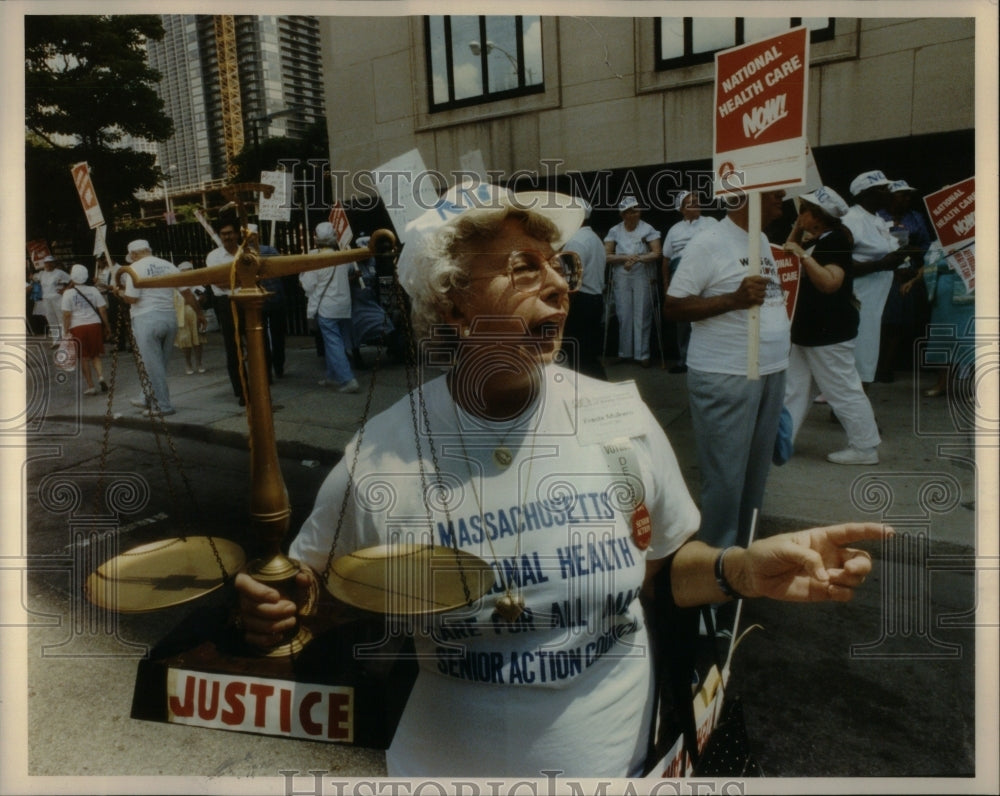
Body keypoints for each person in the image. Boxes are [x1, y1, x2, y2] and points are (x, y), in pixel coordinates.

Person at [235, 184, 887, 778]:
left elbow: (659, 568)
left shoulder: (617, 417)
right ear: (454, 302)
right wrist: (277, 612)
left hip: (622, 765)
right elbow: (320, 598)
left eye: (559, 265)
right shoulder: (380, 455)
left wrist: (739, 569)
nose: (559, 284)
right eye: (525, 269)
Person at [663, 189, 789, 552]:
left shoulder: (761, 239)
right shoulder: (709, 242)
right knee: (725, 481)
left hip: (770, 371)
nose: (782, 196)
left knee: (754, 477)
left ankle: (744, 557)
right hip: (727, 374)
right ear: (746, 199)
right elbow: (673, 306)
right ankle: (715, 570)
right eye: (774, 191)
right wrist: (733, 300)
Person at [782, 187, 881, 465]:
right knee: (794, 388)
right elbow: (787, 254)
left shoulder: (834, 240)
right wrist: (797, 234)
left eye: (804, 210)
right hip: (809, 330)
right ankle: (781, 442)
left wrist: (803, 255)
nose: (799, 215)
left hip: (827, 330)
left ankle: (865, 447)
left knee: (842, 388)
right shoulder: (820, 239)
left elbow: (829, 282)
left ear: (818, 216)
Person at [842, 170, 917, 387]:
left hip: (875, 302)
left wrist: (901, 262)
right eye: (883, 189)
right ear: (866, 194)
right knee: (857, 355)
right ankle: (852, 411)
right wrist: (881, 265)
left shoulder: (878, 220)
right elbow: (840, 264)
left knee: (867, 355)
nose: (889, 193)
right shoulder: (851, 219)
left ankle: (850, 409)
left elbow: (890, 256)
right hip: (857, 301)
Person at [113, 239, 204, 417]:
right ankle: (145, 395)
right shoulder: (168, 265)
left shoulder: (134, 269)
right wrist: (199, 313)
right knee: (159, 363)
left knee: (152, 365)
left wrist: (119, 293)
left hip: (146, 318)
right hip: (169, 317)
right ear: (148, 249)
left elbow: (132, 299)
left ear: (133, 254)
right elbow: (186, 292)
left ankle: (163, 405)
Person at [874, 179, 932, 383]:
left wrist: (911, 253)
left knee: (900, 322)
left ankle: (887, 367)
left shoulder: (915, 217)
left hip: (908, 273)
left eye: (909, 196)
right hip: (884, 274)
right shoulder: (877, 217)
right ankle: (874, 364)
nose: (907, 199)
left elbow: (926, 245)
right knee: (882, 322)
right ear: (891, 197)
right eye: (903, 195)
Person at [660, 191, 719, 374]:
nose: (696, 204)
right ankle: (684, 360)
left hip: (706, 271)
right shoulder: (675, 230)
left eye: (697, 201)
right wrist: (666, 286)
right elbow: (666, 260)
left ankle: (709, 360)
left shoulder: (711, 222)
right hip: (681, 273)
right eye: (690, 203)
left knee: (706, 315)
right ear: (682, 209)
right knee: (684, 319)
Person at [300, 222, 358, 393]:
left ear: (316, 239)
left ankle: (348, 379)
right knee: (336, 342)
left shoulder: (316, 260)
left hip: (327, 308)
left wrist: (302, 278)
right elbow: (350, 272)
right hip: (344, 306)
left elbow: (309, 287)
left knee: (333, 344)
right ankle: (332, 376)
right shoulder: (343, 257)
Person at [604, 196, 662, 368]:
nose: (635, 214)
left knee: (642, 312)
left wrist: (638, 258)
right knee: (623, 313)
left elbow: (656, 253)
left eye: (637, 210)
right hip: (622, 273)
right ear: (624, 214)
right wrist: (624, 257)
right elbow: (606, 256)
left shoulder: (647, 228)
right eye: (631, 211)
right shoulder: (615, 230)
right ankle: (624, 352)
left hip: (642, 272)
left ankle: (642, 354)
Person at [920, 241, 975, 397]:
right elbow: (930, 260)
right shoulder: (938, 240)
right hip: (943, 290)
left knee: (970, 341)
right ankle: (942, 383)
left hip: (971, 292)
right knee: (943, 338)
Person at [561, 199, 608, 379]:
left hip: (580, 302)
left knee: (580, 357)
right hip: (594, 300)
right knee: (587, 354)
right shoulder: (593, 238)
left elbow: (569, 283)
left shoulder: (576, 242)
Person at [205, 217, 249, 405]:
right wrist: (239, 280)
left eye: (230, 233)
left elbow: (253, 277)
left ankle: (261, 384)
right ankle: (242, 391)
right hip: (226, 303)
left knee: (257, 345)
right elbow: (217, 282)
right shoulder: (213, 257)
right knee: (234, 348)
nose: (227, 237)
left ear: (237, 234)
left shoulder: (247, 253)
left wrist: (236, 280)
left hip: (248, 300)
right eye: (224, 234)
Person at [60, 264, 110, 396]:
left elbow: (66, 315)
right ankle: (101, 377)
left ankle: (91, 386)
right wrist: (107, 326)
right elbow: (102, 309)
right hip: (95, 324)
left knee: (83, 357)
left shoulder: (68, 293)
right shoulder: (93, 290)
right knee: (96, 355)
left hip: (78, 326)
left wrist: (66, 331)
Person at [173, 262, 207, 375]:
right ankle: (188, 363)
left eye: (189, 270)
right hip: (181, 313)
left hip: (195, 312)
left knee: (198, 339)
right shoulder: (176, 285)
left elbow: (202, 298)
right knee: (185, 340)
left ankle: (199, 362)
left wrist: (196, 300)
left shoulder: (197, 284)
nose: (187, 273)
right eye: (184, 271)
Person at [35, 255, 71, 346]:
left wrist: (65, 289)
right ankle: (56, 340)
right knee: (51, 319)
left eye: (51, 262)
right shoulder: (42, 274)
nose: (49, 264)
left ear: (54, 263)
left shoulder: (59, 272)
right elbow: (33, 278)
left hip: (57, 298)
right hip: (46, 299)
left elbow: (72, 280)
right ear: (45, 264)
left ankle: (64, 339)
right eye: (47, 263)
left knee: (60, 318)